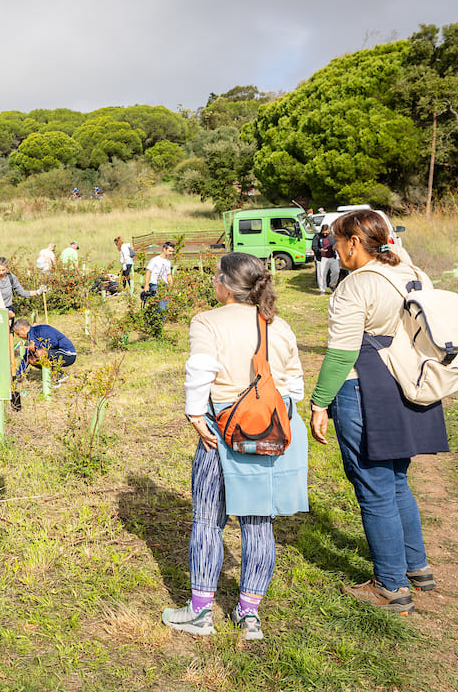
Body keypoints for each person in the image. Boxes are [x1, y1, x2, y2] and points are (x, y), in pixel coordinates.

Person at [161, 252, 308, 640]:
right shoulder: (279, 324)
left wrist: (195, 414)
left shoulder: (208, 320)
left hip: (223, 428)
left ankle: (200, 612)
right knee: (260, 524)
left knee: (208, 519)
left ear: (225, 283)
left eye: (215, 277)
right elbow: (295, 384)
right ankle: (249, 615)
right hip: (275, 429)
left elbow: (201, 370)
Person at [308, 210, 442, 615]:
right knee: (397, 480)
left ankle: (390, 585)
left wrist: (319, 403)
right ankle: (417, 567)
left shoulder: (355, 287)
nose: (332, 248)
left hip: (364, 386)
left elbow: (343, 352)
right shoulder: (410, 271)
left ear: (353, 242)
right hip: (406, 380)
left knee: (372, 485)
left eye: (335, 240)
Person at [142, 242, 175, 306]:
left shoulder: (168, 262)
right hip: (155, 285)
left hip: (164, 285)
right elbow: (148, 272)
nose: (171, 253)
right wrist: (146, 285)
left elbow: (168, 275)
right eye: (170, 251)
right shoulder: (155, 260)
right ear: (164, 249)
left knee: (166, 304)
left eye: (172, 252)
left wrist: (171, 286)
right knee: (161, 305)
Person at [312, 224, 339, 294]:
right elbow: (314, 247)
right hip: (322, 258)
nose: (325, 234)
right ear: (321, 231)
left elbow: (337, 244)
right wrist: (320, 250)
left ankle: (332, 285)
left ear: (329, 231)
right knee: (322, 274)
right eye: (323, 232)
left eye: (326, 232)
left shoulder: (332, 236)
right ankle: (322, 289)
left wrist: (335, 247)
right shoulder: (317, 236)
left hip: (332, 257)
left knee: (336, 271)